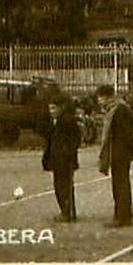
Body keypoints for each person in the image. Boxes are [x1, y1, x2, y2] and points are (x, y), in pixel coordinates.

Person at [97, 84, 133, 227]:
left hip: (119, 153)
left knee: (120, 185)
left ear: (106, 97)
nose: (99, 102)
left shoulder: (118, 110)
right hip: (119, 152)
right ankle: (121, 214)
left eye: (100, 98)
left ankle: (123, 216)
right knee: (119, 184)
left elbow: (125, 133)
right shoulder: (117, 108)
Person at [41, 95, 81, 223]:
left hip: (65, 160)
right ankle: (66, 210)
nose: (51, 111)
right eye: (50, 109)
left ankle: (67, 212)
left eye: (53, 108)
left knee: (65, 186)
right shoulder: (54, 122)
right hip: (57, 159)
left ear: (61, 108)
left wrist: (67, 152)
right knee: (59, 186)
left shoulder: (67, 121)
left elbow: (76, 139)